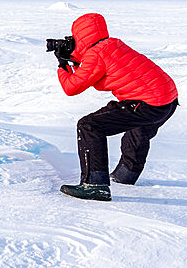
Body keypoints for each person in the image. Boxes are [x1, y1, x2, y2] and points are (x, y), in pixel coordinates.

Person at [54, 12, 178, 201]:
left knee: (89, 126)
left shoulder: (96, 54)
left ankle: (95, 185)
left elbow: (72, 87)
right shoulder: (112, 44)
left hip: (148, 103)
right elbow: (99, 70)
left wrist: (63, 65)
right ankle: (125, 176)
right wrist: (75, 58)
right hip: (167, 100)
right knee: (138, 130)